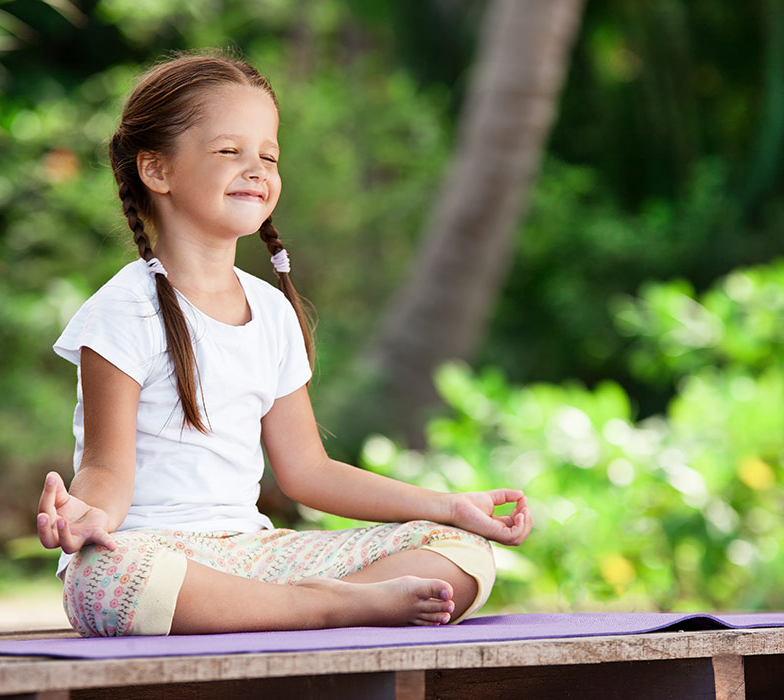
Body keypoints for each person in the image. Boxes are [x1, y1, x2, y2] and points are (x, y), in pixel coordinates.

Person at [36, 50, 531, 638]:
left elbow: (307, 472)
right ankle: (331, 608)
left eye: (268, 155)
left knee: (461, 553)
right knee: (108, 581)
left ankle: (299, 604)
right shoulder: (123, 311)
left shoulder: (270, 310)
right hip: (151, 551)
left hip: (253, 556)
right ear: (157, 170)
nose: (256, 169)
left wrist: (450, 506)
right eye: (229, 151)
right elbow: (105, 467)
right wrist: (87, 517)